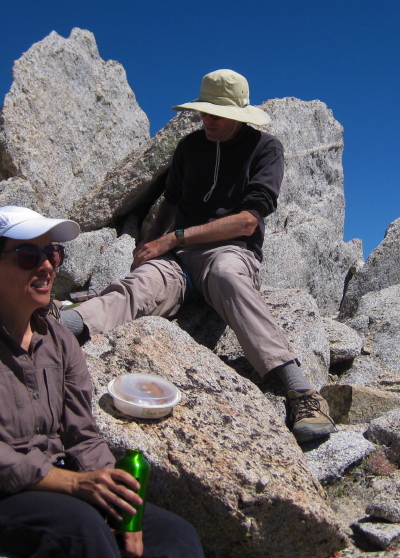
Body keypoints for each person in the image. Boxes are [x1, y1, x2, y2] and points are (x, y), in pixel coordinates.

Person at [59, 69, 336, 442]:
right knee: (138, 285)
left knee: (225, 274)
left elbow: (248, 222)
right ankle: (52, 332)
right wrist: (150, 249)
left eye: (216, 115)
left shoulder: (266, 148)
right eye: (204, 113)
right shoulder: (190, 147)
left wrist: (172, 239)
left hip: (230, 251)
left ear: (238, 115)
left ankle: (300, 391)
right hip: (178, 262)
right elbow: (171, 201)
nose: (207, 121)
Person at [0, 205, 203, 558]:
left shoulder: (57, 338)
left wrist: (125, 513)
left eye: (53, 252)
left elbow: (81, 434)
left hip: (53, 484)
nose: (48, 265)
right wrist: (75, 483)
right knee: (82, 531)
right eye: (27, 256)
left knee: (174, 535)